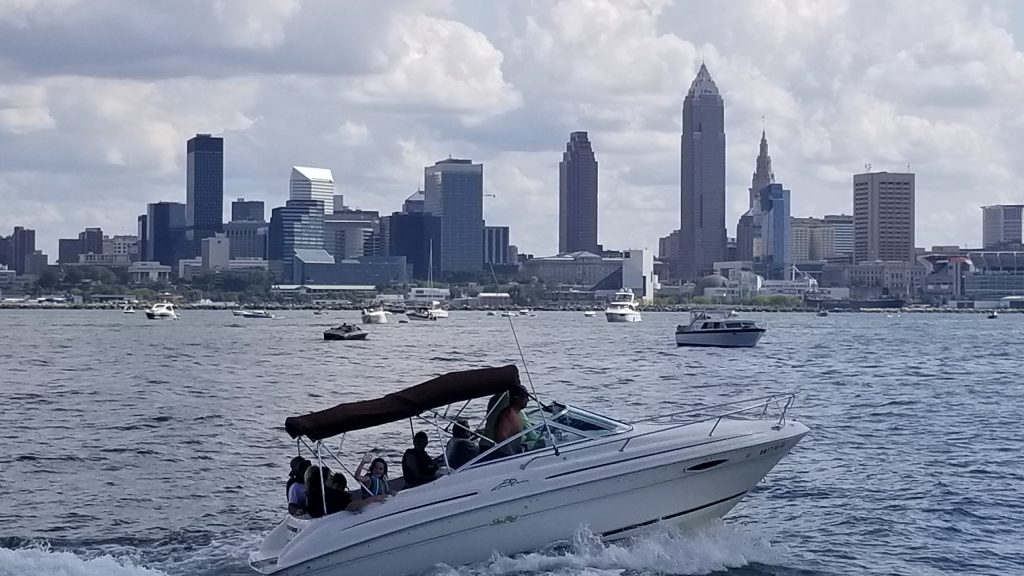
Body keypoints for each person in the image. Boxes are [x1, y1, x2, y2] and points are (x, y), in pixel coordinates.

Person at [495, 385, 530, 455]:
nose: (528, 400)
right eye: (525, 397)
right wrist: (512, 456)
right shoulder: (508, 414)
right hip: (508, 457)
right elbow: (502, 439)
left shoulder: (517, 413)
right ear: (517, 398)